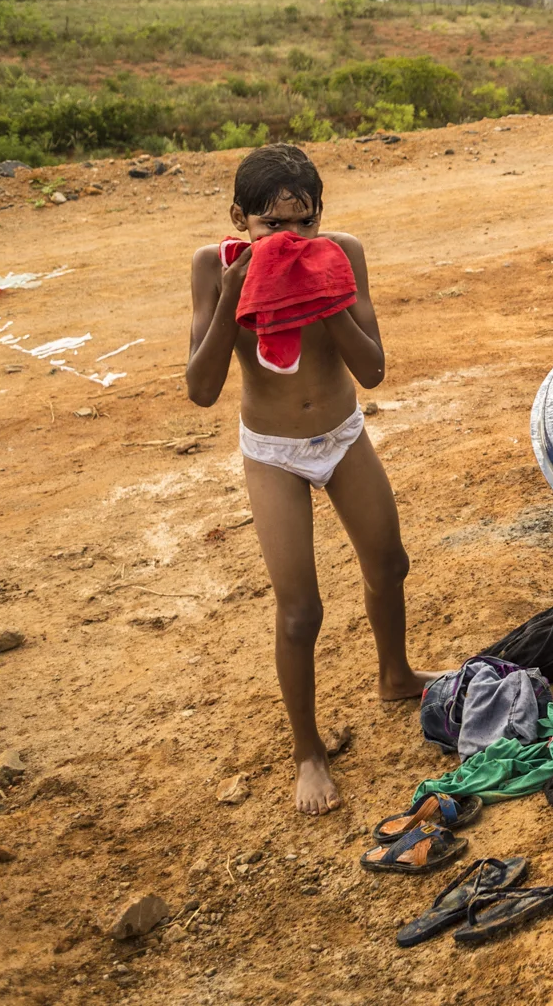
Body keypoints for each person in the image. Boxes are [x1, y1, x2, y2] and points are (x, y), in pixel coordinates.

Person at [186, 144, 437, 814]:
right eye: (275, 227)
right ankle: (308, 751)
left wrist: (321, 295)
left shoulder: (342, 253)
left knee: (390, 563)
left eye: (306, 225)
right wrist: (240, 293)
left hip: (341, 433)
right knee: (301, 611)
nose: (292, 239)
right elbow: (201, 388)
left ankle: (394, 673)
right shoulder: (215, 267)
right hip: (271, 449)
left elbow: (374, 369)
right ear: (241, 219)